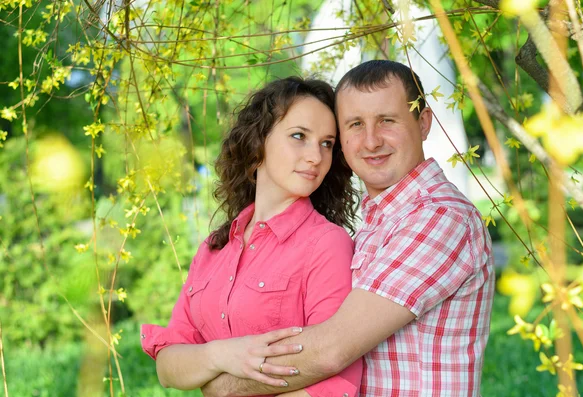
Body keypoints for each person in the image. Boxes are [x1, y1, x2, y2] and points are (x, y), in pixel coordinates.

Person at [199, 60, 496, 397]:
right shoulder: (378, 222)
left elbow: (331, 350)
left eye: (387, 120)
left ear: (423, 122)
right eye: (355, 124)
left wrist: (221, 384)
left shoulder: (439, 217)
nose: (370, 141)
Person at [140, 77, 363, 396]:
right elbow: (168, 364)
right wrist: (220, 355)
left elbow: (337, 383)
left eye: (326, 143)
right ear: (258, 144)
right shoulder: (214, 249)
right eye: (299, 136)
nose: (316, 156)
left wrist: (213, 378)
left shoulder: (327, 245)